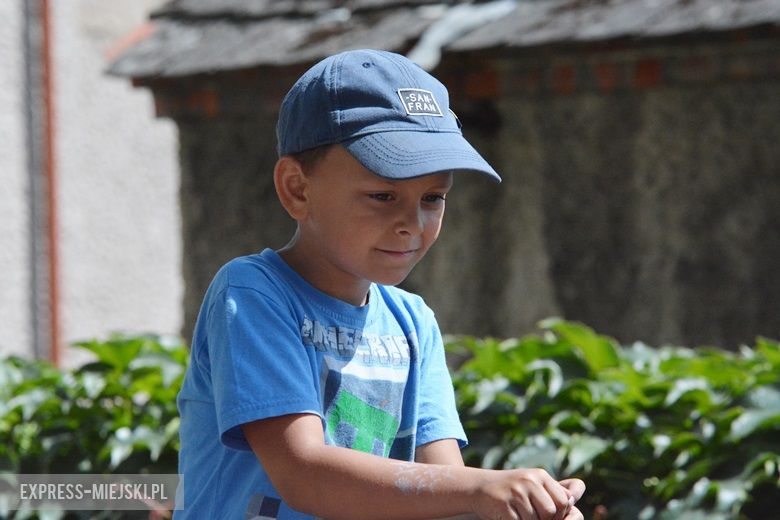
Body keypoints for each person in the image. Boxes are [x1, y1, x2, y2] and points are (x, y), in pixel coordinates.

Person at [174, 49, 585, 520]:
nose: (412, 223)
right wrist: (481, 487)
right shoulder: (252, 294)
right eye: (383, 195)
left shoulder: (414, 323)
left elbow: (445, 497)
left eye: (433, 197)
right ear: (297, 189)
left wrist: (529, 508)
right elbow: (303, 474)